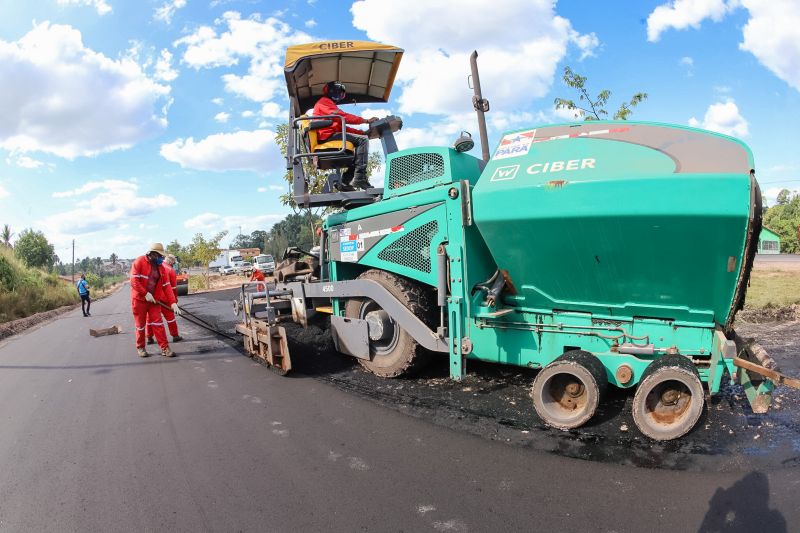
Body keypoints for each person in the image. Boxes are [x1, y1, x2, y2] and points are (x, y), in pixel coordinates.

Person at [313, 81, 378, 191]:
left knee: (359, 147)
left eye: (342, 94)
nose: (340, 96)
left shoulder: (329, 105)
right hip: (326, 136)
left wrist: (361, 133)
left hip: (330, 135)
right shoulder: (324, 102)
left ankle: (345, 181)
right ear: (331, 91)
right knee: (362, 141)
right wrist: (365, 120)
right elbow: (342, 117)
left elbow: (342, 127)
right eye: (339, 92)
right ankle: (359, 178)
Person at [130, 243, 181, 358]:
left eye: (163, 257)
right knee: (140, 325)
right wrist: (145, 293)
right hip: (140, 300)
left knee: (158, 323)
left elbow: (167, 286)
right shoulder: (139, 262)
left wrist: (173, 303)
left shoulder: (161, 268)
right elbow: (134, 281)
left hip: (154, 301)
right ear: (152, 254)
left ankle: (165, 348)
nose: (162, 259)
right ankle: (141, 347)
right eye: (160, 256)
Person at [146, 254, 183, 345]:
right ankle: (175, 336)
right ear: (171, 262)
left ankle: (149, 337)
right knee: (170, 318)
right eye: (173, 263)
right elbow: (173, 288)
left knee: (150, 318)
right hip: (166, 299)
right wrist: (174, 301)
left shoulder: (154, 268)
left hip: (154, 298)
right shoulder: (171, 270)